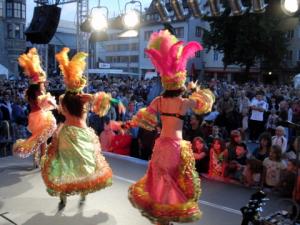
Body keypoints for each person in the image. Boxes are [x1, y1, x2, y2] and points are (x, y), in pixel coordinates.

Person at [127, 30, 214, 225]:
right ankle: (166, 219)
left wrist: (126, 125)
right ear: (180, 82)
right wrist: (194, 89)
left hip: (160, 147)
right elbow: (205, 103)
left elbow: (144, 119)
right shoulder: (184, 103)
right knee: (174, 184)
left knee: (159, 184)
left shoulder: (158, 100)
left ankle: (161, 220)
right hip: (175, 148)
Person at [42, 48, 119, 210]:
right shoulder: (84, 98)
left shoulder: (63, 98)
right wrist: (117, 103)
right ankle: (83, 193)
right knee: (85, 163)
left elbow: (59, 110)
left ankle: (63, 197)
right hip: (82, 133)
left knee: (64, 164)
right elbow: (105, 100)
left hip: (66, 134)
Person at [13, 48, 57, 168]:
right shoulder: (38, 92)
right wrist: (54, 104)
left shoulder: (29, 92)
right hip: (40, 117)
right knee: (41, 140)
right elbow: (43, 103)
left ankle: (36, 161)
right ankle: (42, 162)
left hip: (33, 117)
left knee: (38, 139)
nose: (44, 84)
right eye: (42, 83)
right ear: (39, 83)